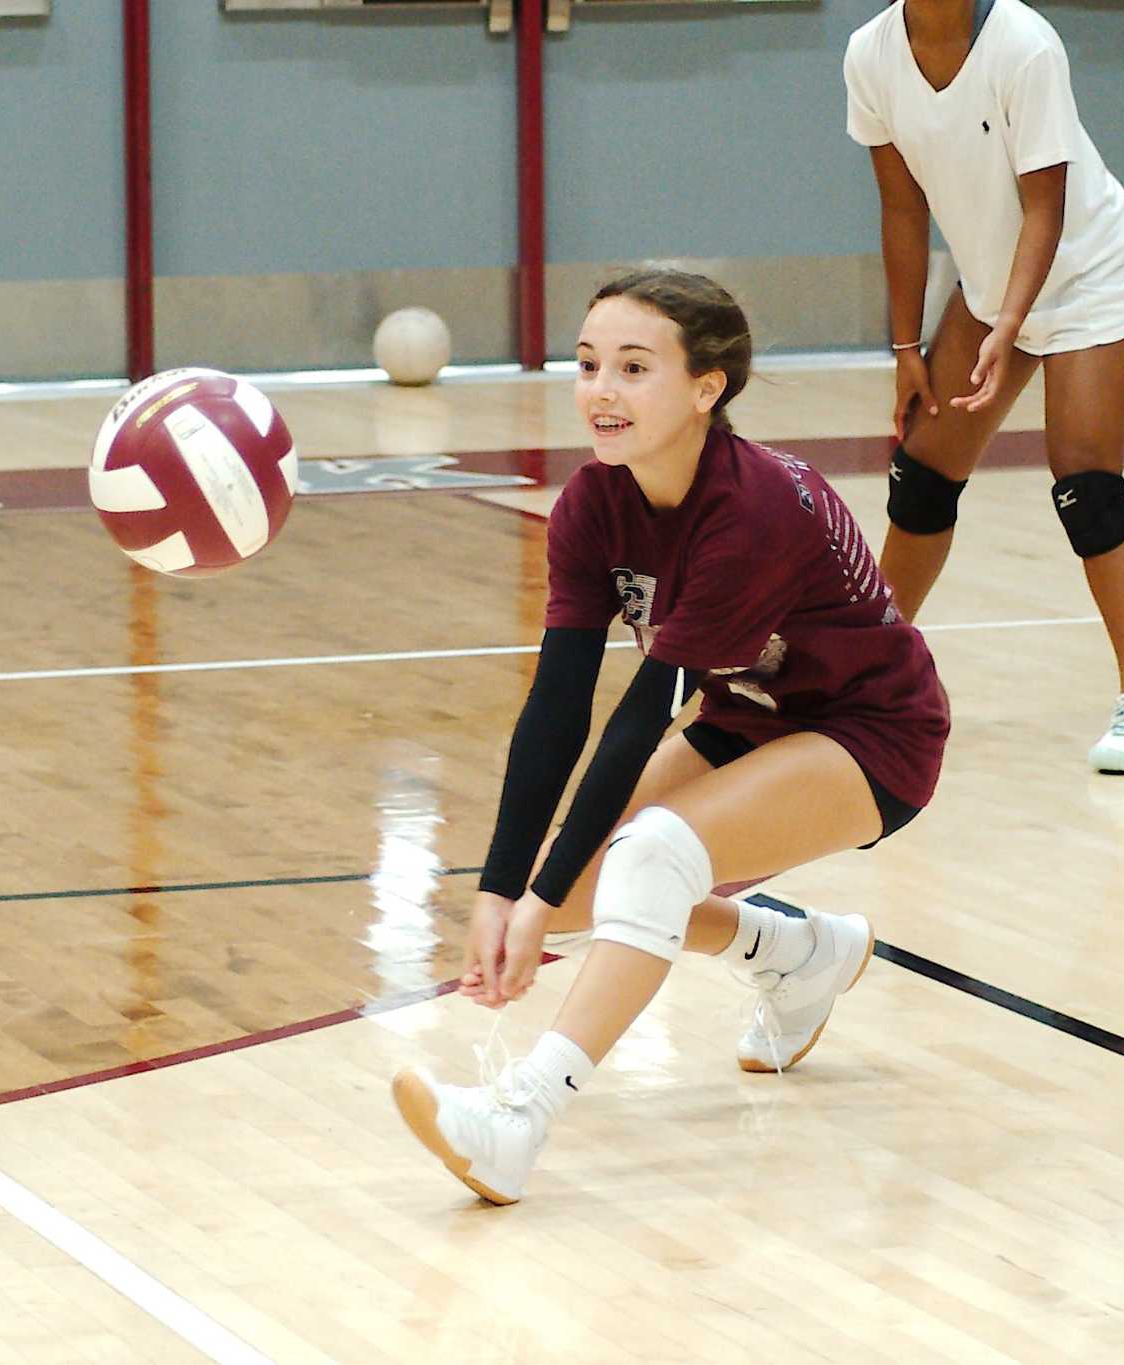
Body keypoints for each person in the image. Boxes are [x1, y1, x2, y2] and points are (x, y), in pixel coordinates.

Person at [390, 269, 949, 1205]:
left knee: (646, 856)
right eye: (587, 365)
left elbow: (642, 712)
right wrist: (504, 890)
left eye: (634, 368)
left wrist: (534, 899)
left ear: (706, 388)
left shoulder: (753, 510)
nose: (601, 390)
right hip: (748, 716)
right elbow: (558, 707)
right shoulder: (591, 504)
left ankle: (519, 1118)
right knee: (576, 888)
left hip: (871, 733)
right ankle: (798, 956)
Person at [846, 0, 1124, 773]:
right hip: (991, 286)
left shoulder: (1024, 45)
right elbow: (902, 207)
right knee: (923, 474)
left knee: (1087, 485)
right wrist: (907, 347)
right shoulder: (870, 54)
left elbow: (1045, 207)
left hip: (1088, 276)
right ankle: (868, 676)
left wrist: (1011, 324)